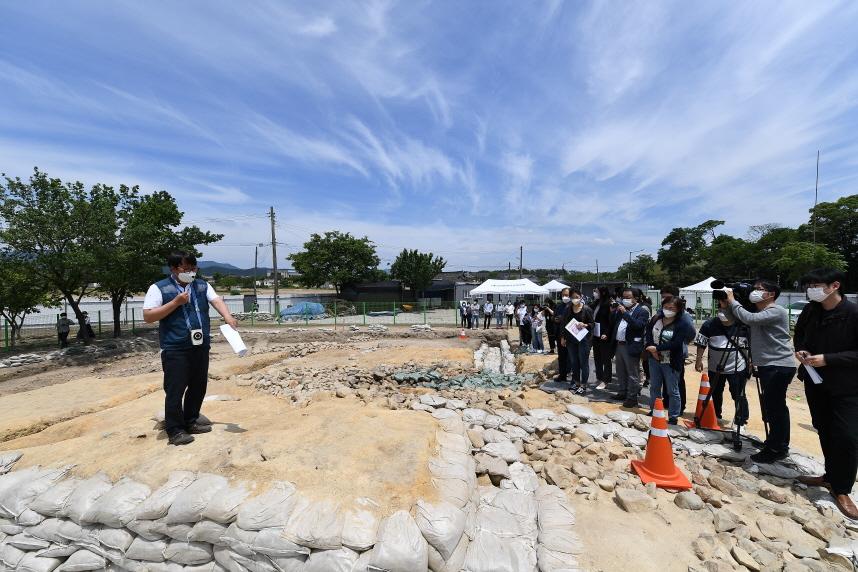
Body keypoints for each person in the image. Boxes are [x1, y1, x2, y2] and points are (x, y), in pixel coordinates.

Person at [143, 251, 238, 446]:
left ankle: (191, 420)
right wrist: (175, 302)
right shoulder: (159, 288)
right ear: (174, 268)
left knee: (198, 385)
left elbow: (217, 300)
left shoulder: (202, 285)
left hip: (200, 344)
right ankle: (175, 430)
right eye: (186, 269)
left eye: (194, 268)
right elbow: (149, 316)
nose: (191, 272)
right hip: (175, 347)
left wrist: (227, 316)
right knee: (175, 389)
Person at [793, 268, 858, 519]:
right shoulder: (811, 311)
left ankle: (842, 489)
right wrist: (801, 350)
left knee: (847, 437)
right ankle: (829, 476)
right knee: (824, 428)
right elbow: (800, 336)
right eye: (808, 285)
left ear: (834, 286)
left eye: (816, 285)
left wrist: (829, 359)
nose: (811, 290)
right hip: (815, 382)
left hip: (847, 386)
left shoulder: (852, 314)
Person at [722, 279, 796, 463]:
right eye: (753, 288)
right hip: (769, 365)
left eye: (759, 289)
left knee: (775, 408)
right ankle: (775, 442)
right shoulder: (760, 311)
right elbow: (734, 320)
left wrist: (733, 301)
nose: (754, 292)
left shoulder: (775, 310)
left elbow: (749, 319)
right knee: (772, 407)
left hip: (778, 365)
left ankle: (776, 448)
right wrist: (726, 305)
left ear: (771, 294)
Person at [694, 310, 750, 424]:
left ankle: (741, 420)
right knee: (715, 392)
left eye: (726, 308)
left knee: (738, 393)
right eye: (720, 308)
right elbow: (701, 343)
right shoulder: (709, 324)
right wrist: (698, 360)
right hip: (715, 367)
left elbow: (750, 347)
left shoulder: (743, 326)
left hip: (737, 367)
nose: (722, 311)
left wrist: (751, 363)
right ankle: (715, 415)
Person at [645, 297, 695, 424]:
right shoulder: (656, 319)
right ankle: (655, 410)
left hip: (671, 361)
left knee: (672, 390)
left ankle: (673, 415)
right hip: (654, 359)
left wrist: (656, 348)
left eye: (671, 308)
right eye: (666, 307)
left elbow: (677, 343)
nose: (668, 310)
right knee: (655, 387)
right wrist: (653, 350)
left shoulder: (682, 324)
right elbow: (649, 334)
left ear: (678, 309)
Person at [658, 286, 695, 414]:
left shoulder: (684, 315)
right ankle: (667, 403)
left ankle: (679, 407)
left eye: (667, 297)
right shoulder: (661, 312)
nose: (664, 300)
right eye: (662, 297)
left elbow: (691, 333)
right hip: (662, 351)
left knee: (677, 381)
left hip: (676, 352)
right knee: (665, 378)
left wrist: (681, 342)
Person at [612, 287, 651, 408]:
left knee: (632, 373)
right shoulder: (621, 310)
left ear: (636, 298)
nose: (625, 300)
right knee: (620, 371)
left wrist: (625, 313)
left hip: (631, 346)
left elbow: (638, 326)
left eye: (628, 297)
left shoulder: (642, 311)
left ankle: (632, 397)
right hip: (619, 344)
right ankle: (622, 392)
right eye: (623, 297)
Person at [561, 289, 594, 394]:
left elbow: (592, 324)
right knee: (574, 362)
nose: (575, 299)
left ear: (581, 297)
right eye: (573, 297)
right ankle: (576, 383)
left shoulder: (587, 309)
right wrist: (563, 337)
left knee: (583, 362)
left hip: (584, 340)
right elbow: (564, 323)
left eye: (577, 297)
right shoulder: (568, 309)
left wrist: (585, 325)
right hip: (571, 340)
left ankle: (583, 385)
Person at [590, 286, 615, 389]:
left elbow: (611, 321)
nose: (595, 293)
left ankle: (606, 380)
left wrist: (607, 333)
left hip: (605, 335)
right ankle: (599, 377)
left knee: (606, 359)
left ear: (603, 293)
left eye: (596, 291)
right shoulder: (596, 303)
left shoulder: (609, 304)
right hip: (596, 333)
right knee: (597, 357)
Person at [552, 288, 573, 382]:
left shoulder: (573, 306)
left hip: (570, 335)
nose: (565, 297)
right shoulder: (559, 306)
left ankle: (571, 374)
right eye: (563, 295)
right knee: (561, 356)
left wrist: (563, 319)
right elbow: (554, 316)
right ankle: (562, 374)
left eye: (567, 295)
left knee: (570, 356)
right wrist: (555, 319)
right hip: (559, 334)